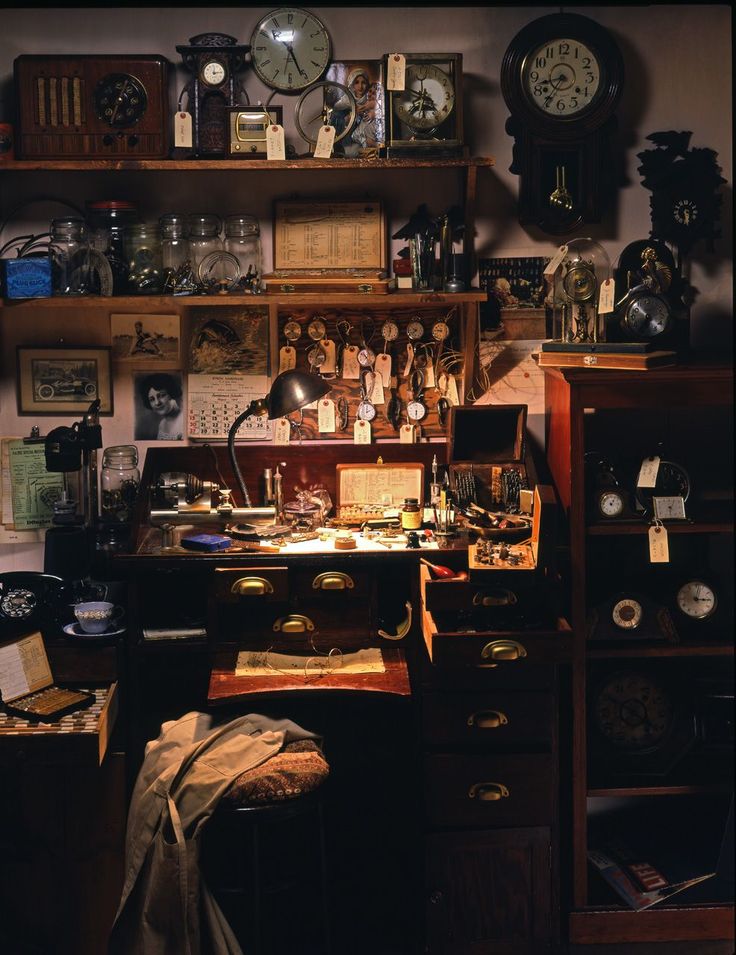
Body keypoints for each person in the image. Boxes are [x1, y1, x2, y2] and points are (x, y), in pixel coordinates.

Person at [139, 372, 184, 440]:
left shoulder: (184, 420)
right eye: (152, 399)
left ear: (171, 393)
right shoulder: (162, 424)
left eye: (162, 395)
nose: (157, 402)